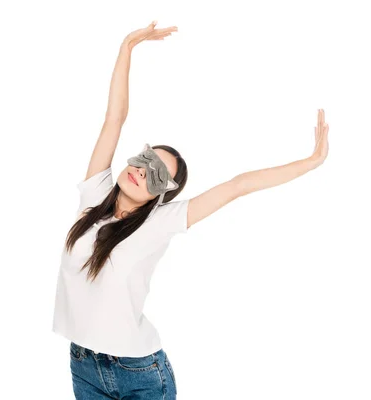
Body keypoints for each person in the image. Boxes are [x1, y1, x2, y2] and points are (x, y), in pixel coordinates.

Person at [51, 21, 330, 400]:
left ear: (160, 194)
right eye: (144, 159)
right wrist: (128, 45)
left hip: (140, 372)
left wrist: (311, 161)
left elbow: (238, 186)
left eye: (158, 173)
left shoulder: (160, 221)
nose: (141, 171)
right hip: (83, 364)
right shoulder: (94, 196)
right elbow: (114, 118)